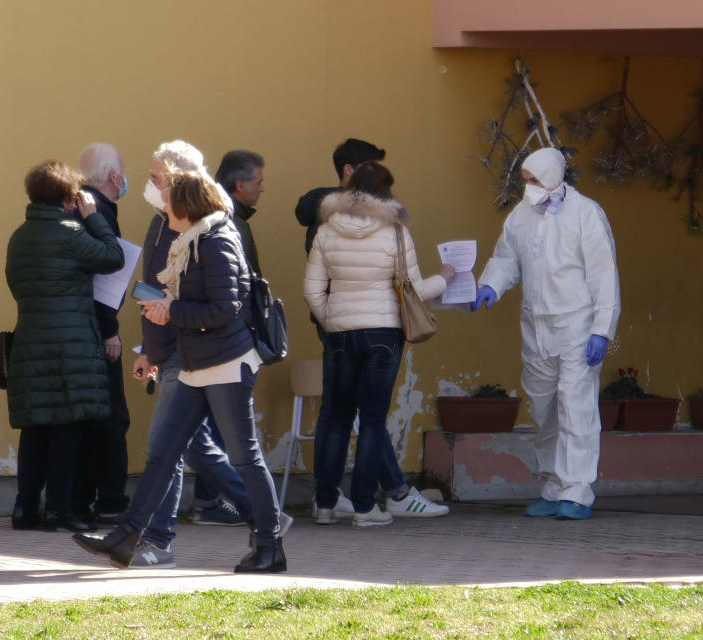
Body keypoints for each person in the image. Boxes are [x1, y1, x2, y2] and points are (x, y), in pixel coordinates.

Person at [74, 157, 287, 573]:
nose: (163, 214)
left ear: (189, 207)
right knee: (163, 452)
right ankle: (127, 538)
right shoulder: (188, 239)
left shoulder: (218, 239)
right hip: (193, 363)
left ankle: (270, 545)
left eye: (169, 207)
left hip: (227, 362)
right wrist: (165, 316)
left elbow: (226, 308)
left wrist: (172, 311)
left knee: (244, 457)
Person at [118, 141, 257, 567]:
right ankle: (262, 516)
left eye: (157, 177)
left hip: (199, 347)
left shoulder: (211, 229)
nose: (150, 183)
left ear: (181, 181)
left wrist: (161, 344)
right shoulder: (162, 222)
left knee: (172, 446)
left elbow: (218, 299)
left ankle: (154, 539)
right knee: (186, 445)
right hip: (175, 344)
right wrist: (150, 349)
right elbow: (151, 290)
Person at [296, 139, 448, 521]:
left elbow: (312, 289)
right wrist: (445, 279)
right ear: (385, 192)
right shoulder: (395, 232)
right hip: (383, 335)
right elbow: (412, 290)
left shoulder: (327, 229)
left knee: (334, 417)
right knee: (373, 420)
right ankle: (365, 507)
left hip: (340, 335)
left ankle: (326, 504)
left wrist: (331, 319)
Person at [471, 147, 621, 521]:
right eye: (525, 180)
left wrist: (602, 329)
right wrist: (490, 285)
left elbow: (604, 274)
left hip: (577, 325)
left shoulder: (586, 213)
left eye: (534, 180)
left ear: (554, 177)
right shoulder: (520, 217)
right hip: (536, 325)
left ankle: (577, 492)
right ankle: (553, 486)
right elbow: (506, 258)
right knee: (545, 409)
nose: (529, 187)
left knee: (576, 407)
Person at [4, 161, 124, 533]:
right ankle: (60, 509)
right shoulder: (72, 232)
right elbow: (113, 257)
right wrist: (93, 218)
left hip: (30, 341)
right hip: (70, 345)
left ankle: (25, 509)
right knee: (67, 427)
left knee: (36, 428)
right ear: (70, 198)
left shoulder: (19, 236)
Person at [70, 143, 133, 526]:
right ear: (113, 176)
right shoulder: (100, 214)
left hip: (77, 329)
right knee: (112, 418)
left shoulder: (74, 208)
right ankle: (110, 500)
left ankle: (82, 498)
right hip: (98, 330)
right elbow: (105, 277)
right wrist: (110, 331)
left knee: (88, 419)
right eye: (123, 171)